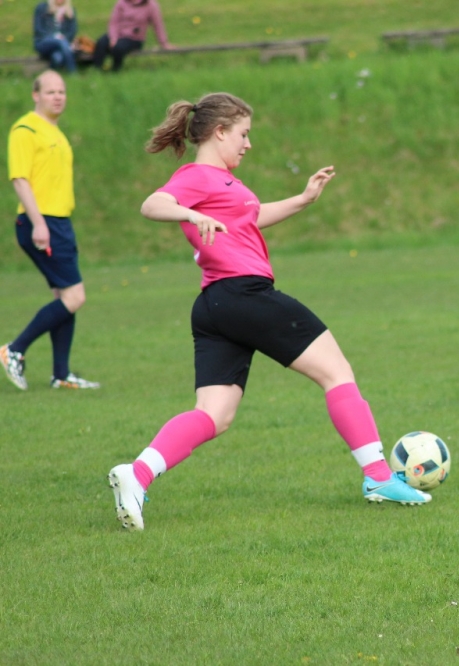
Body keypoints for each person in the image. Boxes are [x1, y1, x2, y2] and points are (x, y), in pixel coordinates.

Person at [107, 92, 430, 531]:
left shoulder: (226, 183)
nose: (248, 144)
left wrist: (303, 199)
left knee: (215, 414)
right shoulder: (197, 176)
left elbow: (250, 218)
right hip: (246, 295)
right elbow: (152, 204)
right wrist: (190, 215)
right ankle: (378, 477)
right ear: (220, 132)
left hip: (216, 306)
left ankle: (137, 474)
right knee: (336, 372)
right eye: (243, 134)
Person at [2, 71, 98, 392]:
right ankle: (14, 350)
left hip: (59, 221)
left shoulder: (55, 131)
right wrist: (39, 223)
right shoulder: (25, 129)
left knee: (64, 297)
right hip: (41, 221)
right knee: (75, 296)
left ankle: (61, 374)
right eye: (50, 91)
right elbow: (20, 179)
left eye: (62, 91)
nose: (57, 97)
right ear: (36, 95)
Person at [92, 0, 173, 72]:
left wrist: (164, 43)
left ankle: (115, 70)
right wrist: (113, 37)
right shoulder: (121, 3)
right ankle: (97, 69)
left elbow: (157, 25)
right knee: (101, 42)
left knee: (118, 48)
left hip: (134, 39)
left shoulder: (150, 5)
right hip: (118, 34)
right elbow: (114, 22)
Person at [32, 0, 77, 73]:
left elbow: (72, 31)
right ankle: (73, 72)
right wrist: (54, 37)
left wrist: (64, 37)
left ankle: (51, 72)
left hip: (63, 44)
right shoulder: (42, 8)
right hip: (43, 42)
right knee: (61, 42)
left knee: (57, 58)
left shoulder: (70, 11)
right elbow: (39, 29)